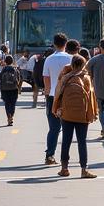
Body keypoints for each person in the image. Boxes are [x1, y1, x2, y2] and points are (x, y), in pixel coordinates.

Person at [54, 53, 98, 178]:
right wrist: (92, 114)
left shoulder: (65, 77)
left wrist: (56, 108)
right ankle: (84, 170)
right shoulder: (86, 78)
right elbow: (90, 98)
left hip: (67, 114)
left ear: (72, 64)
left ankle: (64, 168)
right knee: (82, 142)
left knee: (66, 141)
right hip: (82, 115)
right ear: (84, 64)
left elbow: (58, 94)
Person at [42, 33, 72, 166]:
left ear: (54, 44)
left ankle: (50, 155)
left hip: (53, 96)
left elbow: (46, 80)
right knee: (68, 128)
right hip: (68, 96)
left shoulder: (49, 59)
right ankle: (65, 157)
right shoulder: (72, 58)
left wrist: (47, 94)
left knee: (53, 128)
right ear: (66, 44)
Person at [0, 54, 21, 126]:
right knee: (13, 103)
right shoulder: (15, 69)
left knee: (7, 103)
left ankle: (9, 117)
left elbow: (0, 78)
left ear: (5, 61)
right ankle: (11, 117)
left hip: (4, 89)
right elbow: (18, 79)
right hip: (14, 89)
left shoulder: (3, 69)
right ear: (12, 61)